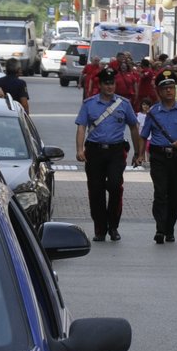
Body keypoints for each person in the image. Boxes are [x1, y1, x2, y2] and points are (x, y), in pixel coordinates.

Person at [74, 67, 143, 242]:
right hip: (95, 151)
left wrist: (138, 152)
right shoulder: (89, 104)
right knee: (95, 190)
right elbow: (81, 127)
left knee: (114, 187)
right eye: (106, 83)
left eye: (112, 83)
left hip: (116, 151)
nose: (110, 86)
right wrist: (79, 149)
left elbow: (134, 127)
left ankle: (113, 226)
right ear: (101, 85)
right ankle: (100, 228)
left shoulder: (123, 104)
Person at [139, 75, 177, 243]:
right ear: (159, 92)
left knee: (174, 193)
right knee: (160, 193)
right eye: (165, 88)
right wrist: (140, 154)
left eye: (171, 87)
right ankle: (160, 229)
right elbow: (144, 135)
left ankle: (170, 228)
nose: (169, 91)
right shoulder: (153, 112)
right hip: (158, 156)